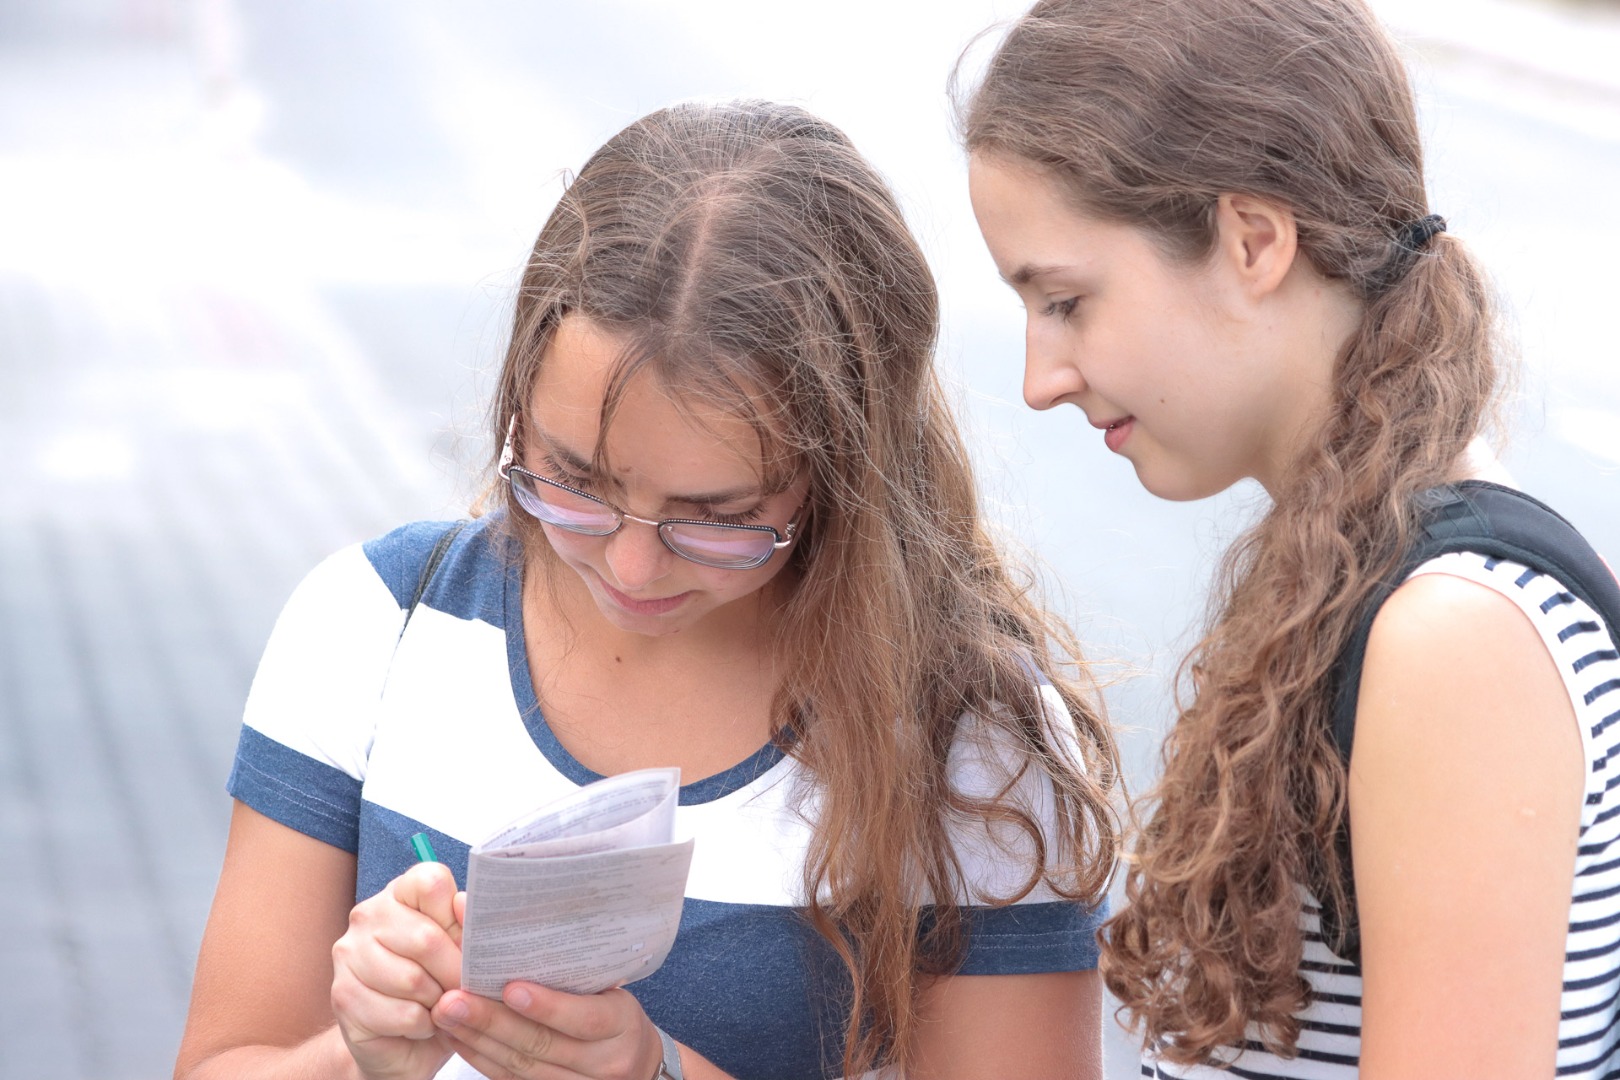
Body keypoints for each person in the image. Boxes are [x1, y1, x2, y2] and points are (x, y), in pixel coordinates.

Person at [173, 99, 1118, 1080]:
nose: (630, 567)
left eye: (715, 512)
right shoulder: (378, 628)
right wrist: (362, 1052)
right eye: (573, 480)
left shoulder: (976, 746)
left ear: (845, 471)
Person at [961, 0, 1620, 1077]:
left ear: (1255, 241)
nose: (1042, 380)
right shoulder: (1369, 570)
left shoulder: (1450, 636)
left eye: (1068, 302)